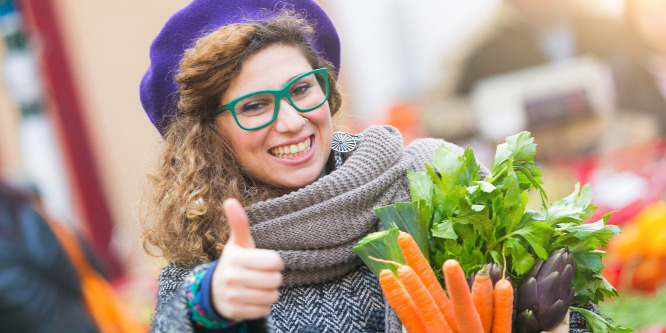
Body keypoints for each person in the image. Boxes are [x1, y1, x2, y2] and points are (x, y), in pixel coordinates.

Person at [139, 1, 597, 332]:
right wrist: (211, 307)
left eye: (301, 89)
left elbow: (575, 311)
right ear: (209, 134)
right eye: (256, 106)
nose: (292, 121)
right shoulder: (207, 265)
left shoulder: (436, 181)